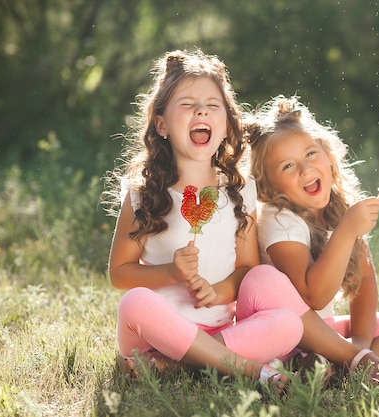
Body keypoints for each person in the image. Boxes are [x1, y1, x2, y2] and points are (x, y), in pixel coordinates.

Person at [104, 49, 308, 390]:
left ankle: (181, 365)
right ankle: (250, 370)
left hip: (222, 332)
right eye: (186, 104)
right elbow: (119, 274)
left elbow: (246, 269)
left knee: (290, 324)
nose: (201, 110)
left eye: (213, 105)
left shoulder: (238, 193)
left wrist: (216, 291)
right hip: (155, 336)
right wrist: (169, 272)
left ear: (226, 125)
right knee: (134, 303)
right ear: (161, 124)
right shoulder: (145, 193)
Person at [245, 95, 379, 374]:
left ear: (327, 153)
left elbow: (363, 283)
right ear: (267, 185)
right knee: (288, 354)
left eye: (310, 153)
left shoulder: (339, 209)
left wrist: (359, 344)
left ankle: (338, 363)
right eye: (287, 166)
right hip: (290, 338)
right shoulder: (278, 220)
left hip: (327, 333)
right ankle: (327, 363)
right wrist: (347, 231)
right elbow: (315, 297)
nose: (305, 168)